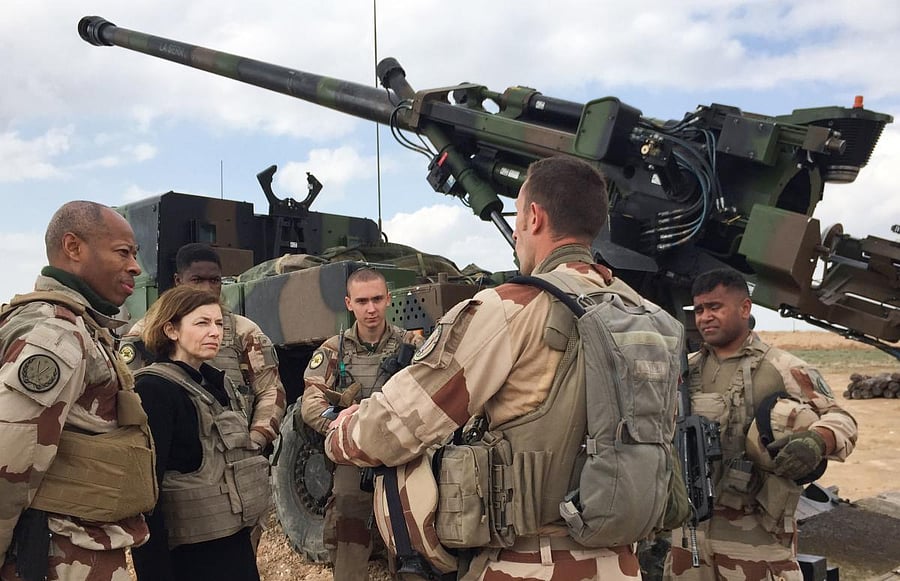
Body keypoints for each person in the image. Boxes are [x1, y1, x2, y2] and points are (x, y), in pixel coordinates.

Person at [325, 156, 656, 580]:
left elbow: (399, 424)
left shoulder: (511, 307)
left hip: (532, 562)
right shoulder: (639, 310)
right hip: (621, 562)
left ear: (534, 217)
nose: (516, 232)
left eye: (518, 217)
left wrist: (342, 434)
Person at [664, 269, 858, 580]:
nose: (705, 317)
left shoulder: (782, 367)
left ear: (745, 308)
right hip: (689, 539)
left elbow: (842, 419)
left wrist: (817, 441)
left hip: (757, 540)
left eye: (715, 307)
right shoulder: (684, 371)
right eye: (699, 310)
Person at [0, 201, 155, 580]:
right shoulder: (57, 334)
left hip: (72, 546)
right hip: (55, 554)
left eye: (134, 254)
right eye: (122, 252)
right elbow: (10, 458)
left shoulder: (80, 326)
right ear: (73, 248)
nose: (135, 266)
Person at [130, 285, 270, 581]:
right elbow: (145, 495)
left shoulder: (218, 384)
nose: (215, 332)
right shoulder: (154, 390)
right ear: (171, 330)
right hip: (189, 558)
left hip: (233, 547)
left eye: (219, 323)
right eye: (202, 323)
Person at [299, 267, 423, 580]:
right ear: (349, 303)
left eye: (378, 299)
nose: (371, 308)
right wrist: (339, 422)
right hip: (354, 458)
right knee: (350, 534)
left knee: (410, 537)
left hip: (402, 456)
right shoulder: (332, 350)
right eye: (362, 300)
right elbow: (310, 404)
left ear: (388, 299)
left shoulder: (411, 346)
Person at [121, 242, 285, 451]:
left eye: (214, 280)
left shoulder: (243, 331)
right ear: (178, 281)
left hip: (233, 447)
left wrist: (257, 438)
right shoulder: (148, 330)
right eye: (197, 280)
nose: (207, 288)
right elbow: (126, 392)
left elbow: (270, 391)